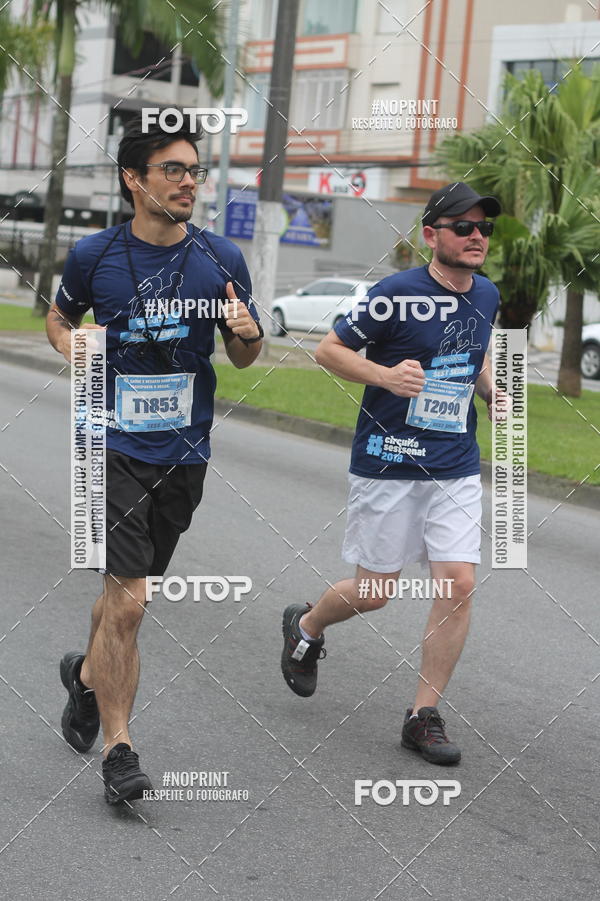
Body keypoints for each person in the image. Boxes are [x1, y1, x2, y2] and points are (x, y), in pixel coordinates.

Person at [46, 112, 263, 803]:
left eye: (195, 170)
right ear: (132, 180)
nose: (189, 182)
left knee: (126, 597)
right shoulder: (94, 256)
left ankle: (86, 677)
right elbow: (57, 315)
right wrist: (69, 345)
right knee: (131, 602)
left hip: (185, 450)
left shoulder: (221, 259)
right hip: (108, 443)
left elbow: (243, 352)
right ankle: (120, 748)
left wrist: (248, 333)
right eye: (173, 169)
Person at [281, 181, 506, 765]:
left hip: (454, 463)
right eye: (464, 226)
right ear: (431, 235)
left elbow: (475, 352)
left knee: (458, 582)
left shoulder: (486, 295)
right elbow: (328, 350)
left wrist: (489, 389)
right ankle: (306, 626)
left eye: (484, 227)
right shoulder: (396, 292)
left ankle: (421, 715)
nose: (477, 236)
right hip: (388, 463)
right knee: (377, 592)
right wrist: (384, 377)